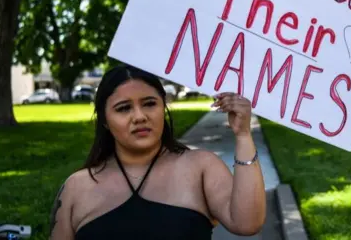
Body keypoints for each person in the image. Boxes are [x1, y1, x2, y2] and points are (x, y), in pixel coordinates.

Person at [49, 64, 266, 239]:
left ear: (163, 107)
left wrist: (243, 135)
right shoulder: (76, 188)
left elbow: (247, 223)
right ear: (105, 121)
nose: (139, 116)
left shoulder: (201, 167)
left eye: (149, 104)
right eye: (124, 108)